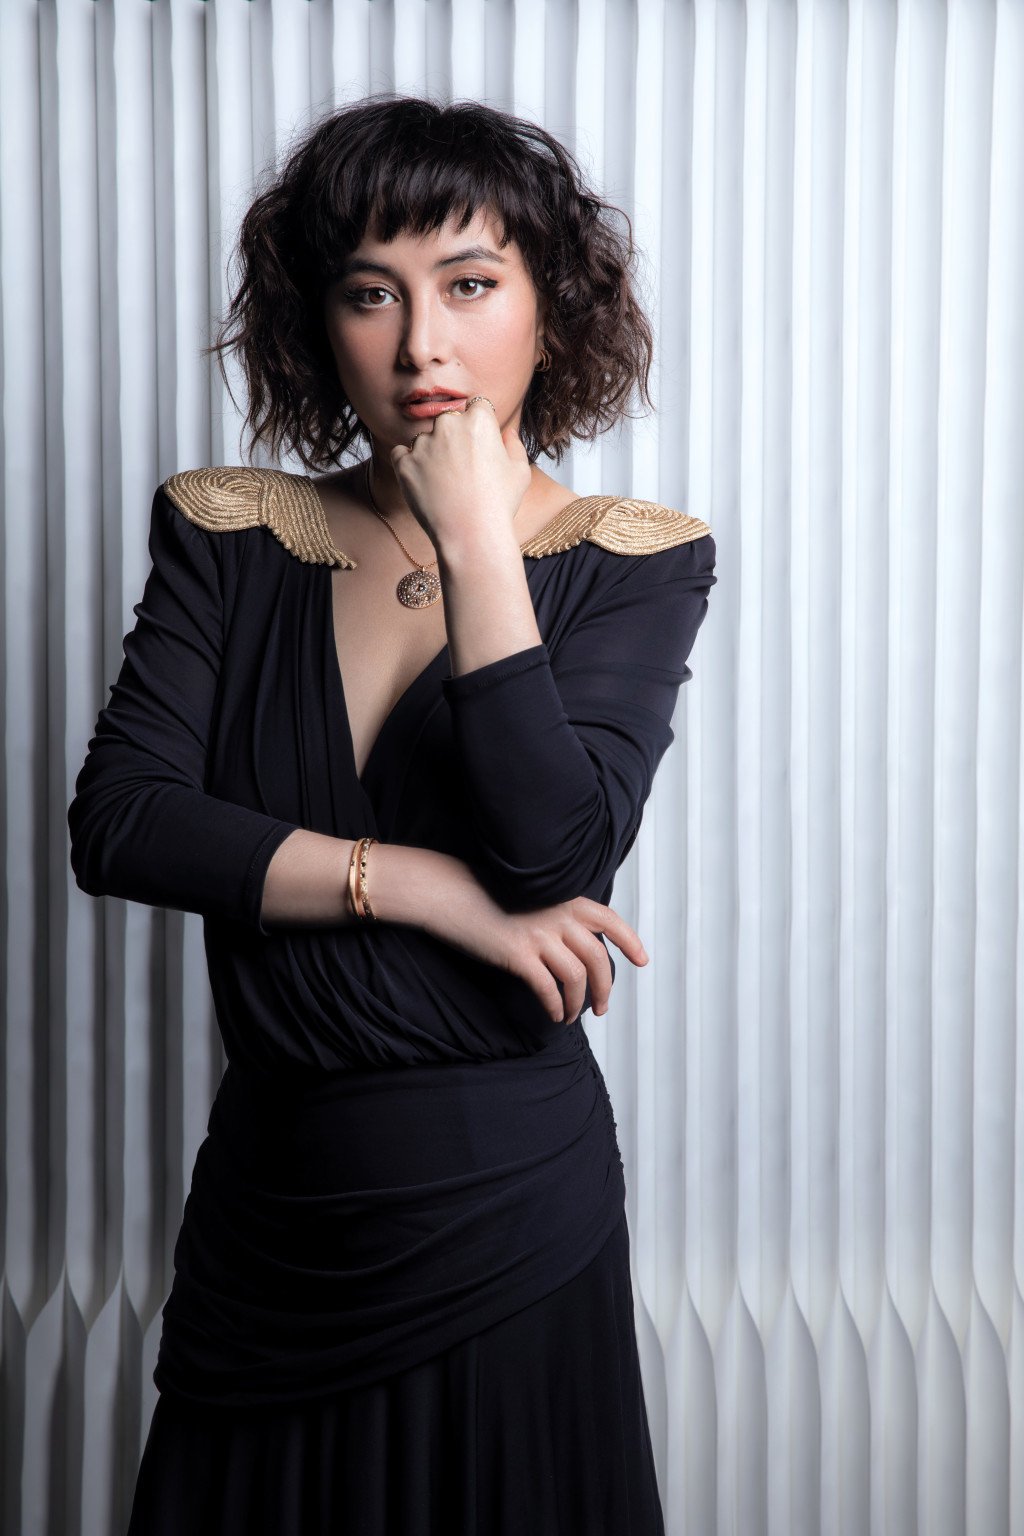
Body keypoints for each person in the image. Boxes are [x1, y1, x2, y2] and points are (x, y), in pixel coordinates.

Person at [68, 95, 716, 1535]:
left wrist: (479, 537)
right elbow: (121, 822)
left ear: (552, 307)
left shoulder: (635, 562)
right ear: (319, 323)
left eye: (470, 285)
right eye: (373, 293)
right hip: (272, 1213)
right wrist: (421, 886)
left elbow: (557, 852)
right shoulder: (233, 534)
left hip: (508, 1210)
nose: (422, 344)